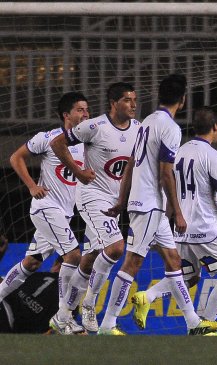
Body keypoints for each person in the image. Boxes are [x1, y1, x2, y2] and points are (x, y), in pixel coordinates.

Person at [101, 74, 217, 336]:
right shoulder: (170, 127)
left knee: (173, 260)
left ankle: (193, 323)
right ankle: (107, 324)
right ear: (183, 99)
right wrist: (178, 212)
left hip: (146, 203)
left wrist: (122, 200)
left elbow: (133, 163)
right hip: (149, 205)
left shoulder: (146, 122)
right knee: (132, 262)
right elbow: (166, 172)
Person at [130, 107, 217, 332]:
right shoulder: (213, 156)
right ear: (216, 127)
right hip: (207, 228)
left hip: (182, 229)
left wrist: (165, 221)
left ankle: (149, 295)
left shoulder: (178, 152)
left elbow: (167, 188)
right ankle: (204, 324)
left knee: (188, 278)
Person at [50, 82, 140, 333]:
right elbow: (58, 143)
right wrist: (78, 171)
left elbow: (134, 166)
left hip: (115, 201)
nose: (133, 105)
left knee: (90, 258)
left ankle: (62, 314)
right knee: (116, 247)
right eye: (126, 100)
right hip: (92, 196)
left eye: (134, 99)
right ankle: (89, 304)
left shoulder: (139, 129)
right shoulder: (94, 126)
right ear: (113, 103)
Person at [0, 92, 89, 334]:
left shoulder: (88, 145)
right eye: (80, 110)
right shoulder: (48, 138)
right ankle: (62, 318)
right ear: (66, 115)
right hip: (46, 208)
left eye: (87, 110)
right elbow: (15, 157)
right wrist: (31, 185)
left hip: (63, 215)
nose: (86, 114)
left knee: (31, 263)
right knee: (73, 257)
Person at [0, 257, 62, 333]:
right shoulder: (70, 300)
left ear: (57, 265)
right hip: (25, 332)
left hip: (6, 315)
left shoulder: (37, 275)